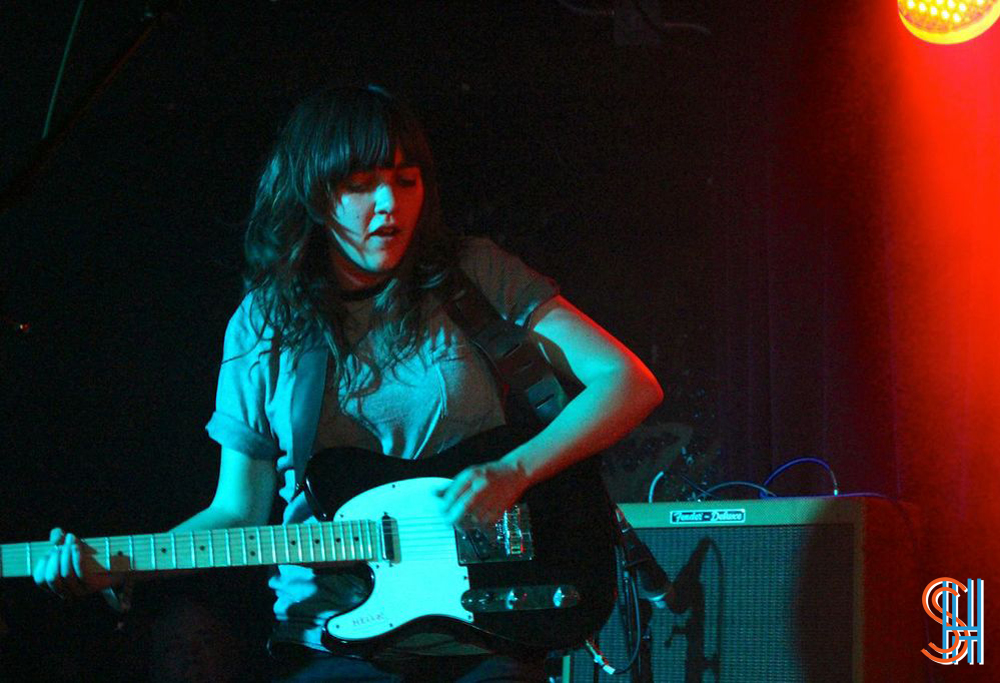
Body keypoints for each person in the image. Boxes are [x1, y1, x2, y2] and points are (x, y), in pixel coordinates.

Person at [33, 85, 663, 682]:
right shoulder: (265, 323)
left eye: (406, 180)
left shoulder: (474, 274)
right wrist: (125, 565)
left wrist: (515, 472)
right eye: (362, 185)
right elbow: (238, 510)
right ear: (313, 194)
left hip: (487, 627)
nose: (390, 205)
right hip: (330, 636)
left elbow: (626, 382)